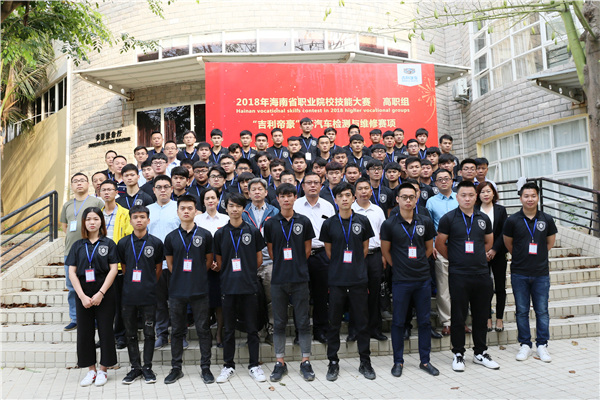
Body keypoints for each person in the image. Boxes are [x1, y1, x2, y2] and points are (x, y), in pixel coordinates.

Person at [435, 181, 499, 372]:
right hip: (459, 274)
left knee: (481, 315)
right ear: (457, 197)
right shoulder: (448, 218)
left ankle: (480, 352)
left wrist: (477, 256)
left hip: (481, 273)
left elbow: (488, 241)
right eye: (463, 195)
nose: (467, 198)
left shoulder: (483, 218)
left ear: (476, 196)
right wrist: (455, 258)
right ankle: (458, 353)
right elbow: (440, 244)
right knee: (458, 316)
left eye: (471, 195)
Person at [381, 183, 439, 378]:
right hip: (401, 280)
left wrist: (418, 263)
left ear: (416, 199)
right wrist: (398, 267)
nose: (408, 200)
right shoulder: (389, 224)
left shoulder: (425, 221)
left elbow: (429, 248)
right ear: (397, 199)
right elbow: (385, 251)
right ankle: (398, 361)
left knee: (424, 322)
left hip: (422, 279)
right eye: (404, 197)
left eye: (411, 197)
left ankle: (425, 360)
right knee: (398, 322)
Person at [320, 182, 376, 381]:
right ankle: (333, 362)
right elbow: (329, 252)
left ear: (353, 198)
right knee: (334, 323)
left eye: (347, 195)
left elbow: (364, 249)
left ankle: (365, 361)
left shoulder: (363, 220)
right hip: (337, 280)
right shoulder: (329, 224)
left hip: (358, 279)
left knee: (362, 322)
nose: (344, 199)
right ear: (335, 200)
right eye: (340, 196)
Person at [264, 183, 316, 382]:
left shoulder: (304, 221)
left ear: (295, 197)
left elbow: (307, 249)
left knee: (303, 321)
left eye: (290, 196)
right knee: (279, 322)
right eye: (282, 196)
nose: (286, 199)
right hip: (278, 279)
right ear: (277, 199)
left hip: (300, 277)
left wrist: (296, 264)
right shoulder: (271, 223)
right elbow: (271, 251)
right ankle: (280, 363)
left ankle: (305, 361)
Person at [213, 193, 267, 383]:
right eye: (231, 206)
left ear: (243, 209)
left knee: (252, 329)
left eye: (238, 206)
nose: (234, 209)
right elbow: (220, 262)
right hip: (228, 286)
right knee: (228, 329)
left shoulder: (252, 231)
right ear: (226, 208)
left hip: (249, 285)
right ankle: (228, 365)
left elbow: (259, 259)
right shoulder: (220, 233)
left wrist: (246, 272)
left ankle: (254, 365)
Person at [163, 195, 215, 384]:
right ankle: (176, 368)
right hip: (177, 291)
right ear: (177, 212)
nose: (186, 211)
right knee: (177, 330)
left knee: (203, 329)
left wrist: (197, 274)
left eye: (190, 208)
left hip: (199, 290)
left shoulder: (205, 235)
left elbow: (208, 261)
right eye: (182, 208)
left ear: (195, 211)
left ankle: (206, 368)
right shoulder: (170, 237)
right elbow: (170, 265)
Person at [504, 182, 557, 363]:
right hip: (519, 272)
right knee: (521, 310)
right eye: (526, 196)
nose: (530, 199)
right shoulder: (512, 220)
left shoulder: (547, 219)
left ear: (538, 197)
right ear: (520, 198)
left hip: (541, 273)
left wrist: (538, 255)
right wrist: (521, 255)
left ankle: (542, 344)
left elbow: (549, 243)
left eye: (533, 195)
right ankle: (525, 344)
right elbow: (508, 243)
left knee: (542, 311)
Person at [66, 207, 118, 387]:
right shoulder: (77, 245)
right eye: (88, 219)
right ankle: (91, 370)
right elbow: (71, 272)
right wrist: (81, 296)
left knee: (105, 330)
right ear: (84, 223)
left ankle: (103, 370)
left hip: (105, 293)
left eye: (95, 219)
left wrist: (101, 293)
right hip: (83, 294)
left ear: (101, 221)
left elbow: (113, 269)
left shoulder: (109, 244)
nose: (92, 222)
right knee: (84, 332)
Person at [117, 205, 164, 384]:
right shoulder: (123, 243)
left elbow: (158, 269)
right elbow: (124, 268)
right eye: (135, 217)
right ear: (130, 221)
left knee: (149, 333)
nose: (139, 220)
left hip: (149, 295)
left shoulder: (156, 243)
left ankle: (147, 368)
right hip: (128, 296)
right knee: (130, 334)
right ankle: (135, 367)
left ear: (148, 220)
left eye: (142, 217)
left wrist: (148, 283)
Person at [294, 172, 335, 344]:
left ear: (321, 186)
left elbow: (332, 232)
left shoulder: (328, 206)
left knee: (321, 296)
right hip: (299, 255)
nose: (312, 185)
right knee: (300, 296)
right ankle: (300, 332)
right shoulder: (295, 205)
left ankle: (321, 330)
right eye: (309, 183)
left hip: (321, 255)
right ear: (303, 186)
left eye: (316, 183)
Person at [60, 173, 104, 331]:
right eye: (75, 181)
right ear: (72, 185)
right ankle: (75, 318)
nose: (79, 183)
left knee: (94, 284)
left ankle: (96, 318)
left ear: (88, 184)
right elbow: (65, 226)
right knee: (72, 287)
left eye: (82, 181)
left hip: (92, 250)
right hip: (71, 251)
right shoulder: (67, 205)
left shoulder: (97, 202)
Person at [147, 175, 182, 349]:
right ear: (153, 190)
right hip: (155, 264)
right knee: (159, 302)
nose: (163, 190)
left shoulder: (179, 208)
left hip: (176, 263)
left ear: (171, 189)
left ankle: (180, 334)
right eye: (159, 187)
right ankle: (161, 334)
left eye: (166, 187)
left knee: (178, 301)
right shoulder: (147, 210)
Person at [242, 177, 279, 344]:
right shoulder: (243, 213)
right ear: (248, 193)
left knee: (272, 299)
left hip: (269, 261)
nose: (257, 192)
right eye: (253, 189)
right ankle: (254, 332)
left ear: (266, 192)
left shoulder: (274, 212)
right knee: (251, 300)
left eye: (260, 189)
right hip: (248, 263)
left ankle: (272, 330)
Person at [350, 178, 388, 341]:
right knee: (355, 294)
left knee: (374, 293)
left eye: (366, 188)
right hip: (355, 257)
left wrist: (384, 255)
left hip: (375, 255)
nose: (364, 191)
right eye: (360, 189)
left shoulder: (377, 210)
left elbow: (383, 235)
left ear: (371, 192)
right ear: (355, 193)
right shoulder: (350, 209)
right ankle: (355, 330)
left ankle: (375, 329)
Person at [100, 179, 134, 349]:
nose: (107, 192)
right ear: (99, 193)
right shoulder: (97, 214)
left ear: (116, 192)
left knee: (120, 303)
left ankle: (120, 335)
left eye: (110, 189)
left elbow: (129, 238)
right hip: (100, 266)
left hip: (119, 265)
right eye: (103, 190)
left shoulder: (125, 213)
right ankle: (105, 336)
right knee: (103, 304)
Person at [195, 187, 230, 348]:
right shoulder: (197, 220)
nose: (210, 201)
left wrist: (220, 263)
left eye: (213, 198)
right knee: (205, 301)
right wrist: (207, 263)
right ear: (203, 202)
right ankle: (206, 334)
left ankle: (219, 334)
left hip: (222, 265)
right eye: (207, 198)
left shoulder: (225, 219)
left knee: (220, 302)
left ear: (218, 200)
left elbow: (229, 244)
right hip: (202, 266)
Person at [425, 168, 458, 336]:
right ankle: (447, 322)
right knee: (443, 286)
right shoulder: (431, 202)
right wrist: (432, 246)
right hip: (440, 247)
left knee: (461, 286)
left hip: (461, 247)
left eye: (446, 178)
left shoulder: (460, 198)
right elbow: (429, 226)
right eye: (440, 179)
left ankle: (460, 320)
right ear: (435, 183)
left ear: (452, 180)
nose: (444, 181)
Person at [475, 182, 508, 333]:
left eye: (488, 191)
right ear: (478, 195)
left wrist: (494, 250)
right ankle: (487, 317)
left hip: (499, 253)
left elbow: (504, 232)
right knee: (484, 287)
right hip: (480, 254)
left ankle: (499, 318)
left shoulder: (501, 210)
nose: (486, 194)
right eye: (482, 192)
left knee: (500, 286)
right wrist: (484, 251)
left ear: (493, 193)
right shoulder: (474, 210)